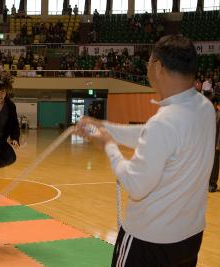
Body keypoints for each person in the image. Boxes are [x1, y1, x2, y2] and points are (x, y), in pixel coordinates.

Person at [76, 35, 215, 266]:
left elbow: (135, 185)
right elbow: (153, 137)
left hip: (148, 241)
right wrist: (103, 126)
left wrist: (109, 145)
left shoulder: (165, 122)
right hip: (189, 238)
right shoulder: (204, 108)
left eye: (149, 62)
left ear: (159, 67)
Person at [209, 99, 220, 193]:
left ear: (216, 104)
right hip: (210, 143)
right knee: (211, 165)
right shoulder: (209, 114)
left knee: (215, 165)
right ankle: (210, 184)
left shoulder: (219, 114)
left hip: (217, 144)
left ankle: (212, 184)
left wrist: (218, 144)